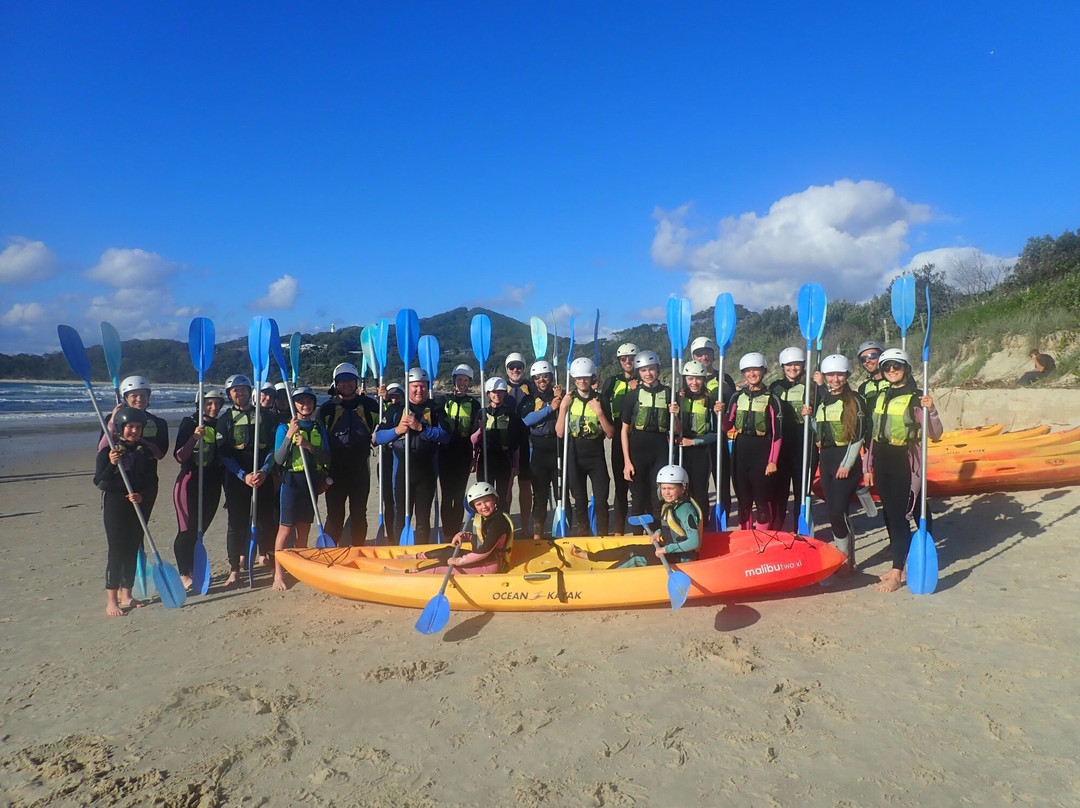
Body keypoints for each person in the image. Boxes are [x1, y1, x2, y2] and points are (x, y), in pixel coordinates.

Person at [865, 348, 943, 593]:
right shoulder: (882, 396)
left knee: (902, 516)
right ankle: (903, 560)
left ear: (906, 369)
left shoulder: (918, 399)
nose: (891, 371)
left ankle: (898, 571)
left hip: (906, 463)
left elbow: (936, 434)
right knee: (890, 512)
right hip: (883, 460)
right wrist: (868, 465)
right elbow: (873, 436)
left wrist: (931, 411)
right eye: (887, 367)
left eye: (896, 367)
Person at [802, 354, 869, 574]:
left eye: (839, 374)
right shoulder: (823, 400)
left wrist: (847, 465)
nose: (835, 379)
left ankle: (847, 560)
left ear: (847, 375)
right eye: (831, 375)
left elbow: (858, 436)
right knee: (834, 511)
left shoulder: (855, 400)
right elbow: (819, 430)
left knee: (837, 512)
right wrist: (809, 418)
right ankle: (845, 558)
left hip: (844, 462)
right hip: (827, 459)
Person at [571, 465, 701, 568]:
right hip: (668, 551)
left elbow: (694, 542)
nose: (666, 492)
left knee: (635, 557)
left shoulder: (686, 510)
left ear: (683, 489)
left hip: (681, 558)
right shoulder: (671, 505)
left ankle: (600, 580)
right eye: (664, 488)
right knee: (630, 548)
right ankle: (590, 556)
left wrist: (666, 549)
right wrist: (658, 532)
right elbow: (673, 528)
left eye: (671, 488)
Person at [374, 369, 450, 544]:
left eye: (423, 386)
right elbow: (378, 437)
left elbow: (446, 435)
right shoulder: (396, 409)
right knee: (400, 515)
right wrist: (398, 430)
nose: (419, 390)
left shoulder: (436, 409)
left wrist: (421, 427)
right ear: (408, 388)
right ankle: (397, 551)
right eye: (415, 386)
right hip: (401, 469)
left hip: (427, 470)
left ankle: (421, 553)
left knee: (423, 519)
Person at [218, 374, 280, 585]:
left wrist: (263, 470)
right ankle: (235, 569)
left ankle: (269, 558)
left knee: (266, 520)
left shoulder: (265, 417)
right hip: (238, 479)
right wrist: (243, 475)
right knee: (236, 524)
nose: (240, 393)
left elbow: (274, 447)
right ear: (230, 395)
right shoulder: (225, 420)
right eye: (235, 390)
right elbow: (223, 453)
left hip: (262, 476)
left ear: (250, 391)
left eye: (243, 389)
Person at [94, 406, 155, 617]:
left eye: (138, 427)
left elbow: (151, 481)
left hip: (137, 505)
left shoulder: (145, 453)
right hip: (116, 506)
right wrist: (112, 464)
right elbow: (100, 483)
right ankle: (112, 600)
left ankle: (126, 594)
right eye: (130, 427)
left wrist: (142, 496)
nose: (134, 431)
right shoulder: (108, 451)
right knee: (117, 551)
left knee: (132, 550)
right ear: (120, 428)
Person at [270, 386, 331, 590]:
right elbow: (278, 459)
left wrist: (308, 446)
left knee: (304, 529)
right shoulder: (283, 427)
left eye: (309, 402)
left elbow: (327, 457)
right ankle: (278, 574)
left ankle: (300, 570)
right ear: (294, 404)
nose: (305, 405)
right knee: (286, 529)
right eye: (301, 402)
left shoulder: (318, 428)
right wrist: (290, 435)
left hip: (311, 481)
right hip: (292, 482)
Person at [719, 353, 783, 530]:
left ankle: (763, 539)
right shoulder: (736, 397)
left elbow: (778, 433)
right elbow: (727, 426)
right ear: (743, 373)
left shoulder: (772, 399)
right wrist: (719, 414)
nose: (752, 374)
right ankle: (745, 538)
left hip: (762, 450)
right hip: (741, 450)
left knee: (762, 501)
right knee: (743, 502)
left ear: (763, 371)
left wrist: (772, 461)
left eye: (755, 370)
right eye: (748, 371)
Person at [317, 362, 378, 546]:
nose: (346, 384)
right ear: (335, 384)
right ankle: (330, 552)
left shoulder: (369, 406)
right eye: (342, 381)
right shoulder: (327, 409)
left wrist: (386, 398)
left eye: (350, 380)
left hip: (360, 470)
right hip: (334, 471)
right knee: (335, 515)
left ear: (356, 382)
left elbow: (386, 422)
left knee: (359, 513)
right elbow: (319, 439)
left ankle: (359, 549)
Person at [171, 388, 225, 590]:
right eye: (209, 403)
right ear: (199, 404)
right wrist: (193, 437)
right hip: (190, 481)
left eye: (217, 403)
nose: (213, 407)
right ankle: (184, 573)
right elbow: (179, 456)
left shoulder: (220, 425)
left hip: (212, 484)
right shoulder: (189, 423)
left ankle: (193, 568)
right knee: (187, 530)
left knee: (200, 531)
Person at [558, 357, 616, 536]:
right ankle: (583, 536)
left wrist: (599, 412)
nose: (582, 381)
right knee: (580, 501)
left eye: (586, 378)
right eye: (578, 378)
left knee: (600, 501)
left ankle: (603, 535)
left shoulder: (601, 399)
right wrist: (562, 408)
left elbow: (610, 433)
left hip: (596, 457)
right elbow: (560, 433)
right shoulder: (569, 399)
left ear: (592, 378)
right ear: (574, 379)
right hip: (574, 457)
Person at [401, 482, 514, 575]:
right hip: (483, 559)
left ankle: (409, 573)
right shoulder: (485, 517)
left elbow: (484, 551)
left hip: (489, 565)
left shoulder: (498, 523)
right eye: (479, 504)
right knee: (448, 550)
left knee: (442, 566)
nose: (483, 506)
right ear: (474, 506)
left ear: (494, 500)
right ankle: (416, 556)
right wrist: (464, 536)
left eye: (487, 501)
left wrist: (459, 561)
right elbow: (481, 537)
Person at [99, 376, 169, 518]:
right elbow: (102, 448)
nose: (139, 399)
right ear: (125, 397)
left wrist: (140, 440)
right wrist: (113, 420)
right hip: (119, 482)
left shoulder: (158, 422)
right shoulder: (112, 419)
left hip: (146, 484)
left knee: (139, 531)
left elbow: (160, 455)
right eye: (134, 395)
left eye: (143, 395)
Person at [770, 346, 820, 531]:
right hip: (783, 445)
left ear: (803, 365)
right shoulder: (775, 387)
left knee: (802, 491)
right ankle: (778, 529)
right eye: (789, 365)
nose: (793, 368)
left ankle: (802, 529)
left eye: (797, 364)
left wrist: (820, 388)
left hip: (804, 443)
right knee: (779, 493)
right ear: (783, 366)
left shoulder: (812, 385)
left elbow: (824, 408)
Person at [621, 349, 672, 530]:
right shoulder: (631, 396)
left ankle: (658, 535)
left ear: (657, 370)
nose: (648, 373)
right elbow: (624, 429)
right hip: (637, 450)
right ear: (638, 372)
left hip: (660, 449)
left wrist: (676, 414)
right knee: (638, 496)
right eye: (643, 370)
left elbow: (677, 429)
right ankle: (638, 539)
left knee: (658, 495)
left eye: (651, 369)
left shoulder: (669, 394)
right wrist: (627, 461)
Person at [520, 360, 563, 539]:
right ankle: (537, 535)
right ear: (534, 380)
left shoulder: (562, 395)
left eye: (545, 376)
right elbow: (527, 420)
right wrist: (550, 408)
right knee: (539, 497)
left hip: (558, 452)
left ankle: (561, 532)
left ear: (551, 377)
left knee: (561, 496)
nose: (542, 380)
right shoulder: (529, 399)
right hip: (538, 454)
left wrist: (562, 401)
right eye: (537, 377)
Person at [600, 342, 638, 534]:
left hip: (639, 437)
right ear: (619, 361)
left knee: (639, 487)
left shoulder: (645, 379)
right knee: (621, 486)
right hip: (618, 437)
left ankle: (642, 530)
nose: (628, 361)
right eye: (624, 359)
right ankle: (618, 530)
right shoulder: (612, 382)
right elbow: (603, 404)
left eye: (631, 358)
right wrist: (608, 429)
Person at [669, 359, 716, 514]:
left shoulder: (710, 400)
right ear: (685, 379)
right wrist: (675, 416)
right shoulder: (678, 399)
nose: (694, 383)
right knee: (681, 491)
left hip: (701, 452)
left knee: (699, 493)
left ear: (704, 379)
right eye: (690, 378)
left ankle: (703, 527)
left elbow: (715, 434)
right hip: (681, 451)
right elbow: (675, 431)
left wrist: (693, 442)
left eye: (698, 378)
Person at [439, 364, 481, 536]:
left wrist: (474, 457)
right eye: (459, 380)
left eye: (465, 380)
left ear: (469, 383)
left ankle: (456, 530)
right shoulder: (443, 401)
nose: (462, 383)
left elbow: (475, 434)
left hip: (463, 453)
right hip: (445, 453)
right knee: (447, 495)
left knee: (458, 494)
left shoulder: (475, 403)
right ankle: (447, 532)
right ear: (454, 380)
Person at [476, 377, 528, 513]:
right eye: (493, 392)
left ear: (505, 393)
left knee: (502, 497)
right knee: (484, 497)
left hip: (504, 460)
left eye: (500, 392)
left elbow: (516, 444)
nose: (497, 395)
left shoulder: (512, 415)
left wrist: (516, 465)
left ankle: (502, 527)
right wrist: (479, 429)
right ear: (488, 394)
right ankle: (485, 528)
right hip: (485, 461)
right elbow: (472, 441)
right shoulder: (481, 414)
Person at [504, 352, 534, 535]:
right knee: (506, 486)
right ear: (507, 369)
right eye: (512, 366)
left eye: (519, 367)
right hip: (506, 443)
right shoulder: (499, 387)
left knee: (525, 485)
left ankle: (525, 525)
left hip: (526, 443)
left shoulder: (531, 387)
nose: (516, 370)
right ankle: (506, 526)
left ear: (524, 368)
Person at [856, 341, 887, 413]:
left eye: (872, 356)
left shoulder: (895, 382)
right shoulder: (863, 388)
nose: (867, 361)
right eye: (863, 359)